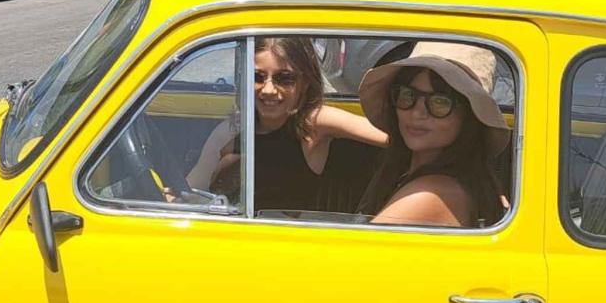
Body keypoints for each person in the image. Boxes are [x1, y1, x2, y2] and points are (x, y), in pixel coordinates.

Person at [184, 37, 388, 214]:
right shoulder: (230, 131)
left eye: (284, 78)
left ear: (305, 83)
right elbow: (190, 190)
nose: (269, 89)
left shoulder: (313, 122)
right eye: (257, 77)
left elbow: (392, 136)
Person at [357, 42, 511, 228]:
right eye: (408, 95)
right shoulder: (454, 178)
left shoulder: (432, 194)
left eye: (440, 102)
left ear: (469, 115)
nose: (417, 113)